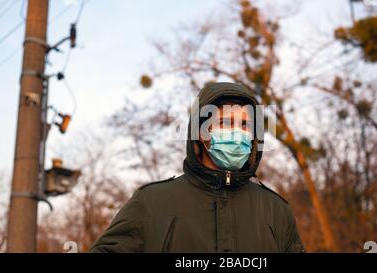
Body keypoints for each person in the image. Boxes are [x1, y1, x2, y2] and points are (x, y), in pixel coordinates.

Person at [90, 82, 305, 253]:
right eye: (225, 123)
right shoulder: (150, 203)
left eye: (245, 126)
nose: (237, 133)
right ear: (201, 132)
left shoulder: (276, 210)